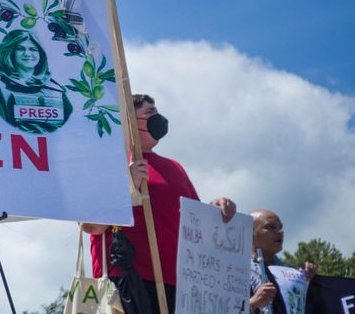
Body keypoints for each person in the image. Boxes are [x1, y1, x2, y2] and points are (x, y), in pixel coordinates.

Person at [82, 94, 238, 314]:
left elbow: (192, 225)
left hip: (180, 287)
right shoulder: (108, 162)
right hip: (128, 283)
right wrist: (129, 188)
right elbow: (90, 225)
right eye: (149, 114)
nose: (158, 118)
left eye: (157, 112)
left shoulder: (175, 167)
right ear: (129, 122)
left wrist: (215, 210)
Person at [0, 31, 71, 134]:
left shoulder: (57, 89)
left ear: (40, 54)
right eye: (20, 49)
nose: (27, 54)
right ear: (9, 52)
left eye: (33, 49)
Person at [249, 209, 318, 314]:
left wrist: (307, 281)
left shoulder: (289, 272)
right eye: (271, 227)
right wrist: (253, 304)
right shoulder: (235, 268)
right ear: (250, 232)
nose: (280, 232)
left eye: (280, 227)